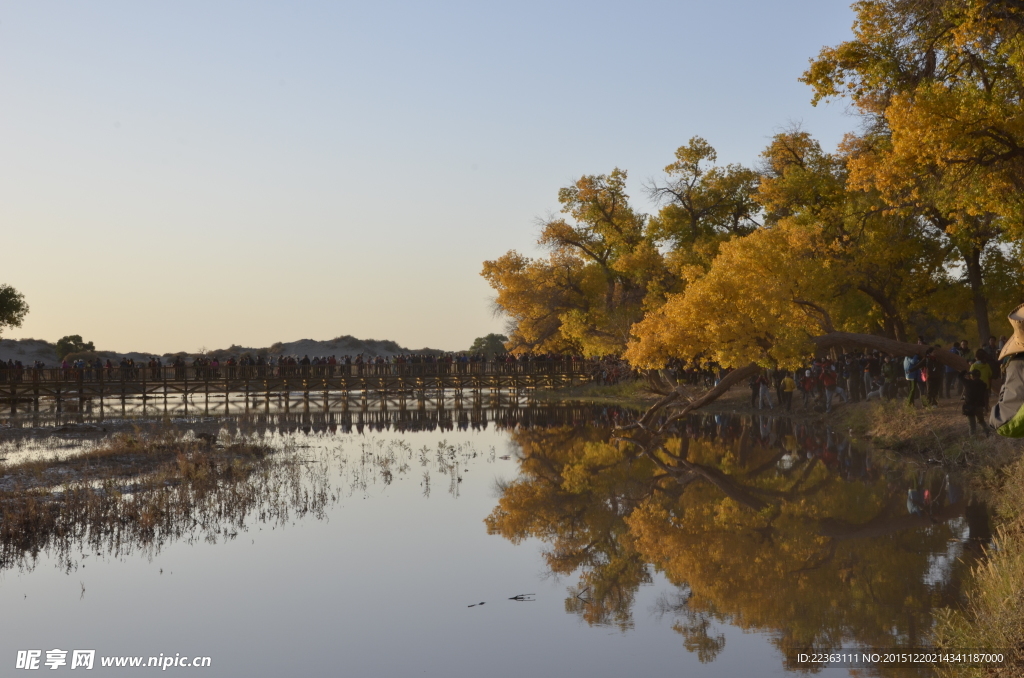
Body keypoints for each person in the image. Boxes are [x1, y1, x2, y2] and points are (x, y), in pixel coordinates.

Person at [959, 369, 990, 436]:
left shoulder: (968, 383)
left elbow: (960, 376)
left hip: (969, 406)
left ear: (972, 376)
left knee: (972, 424)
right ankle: (988, 433)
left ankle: (973, 438)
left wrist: (965, 372)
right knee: (981, 421)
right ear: (980, 375)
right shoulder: (983, 385)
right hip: (979, 406)